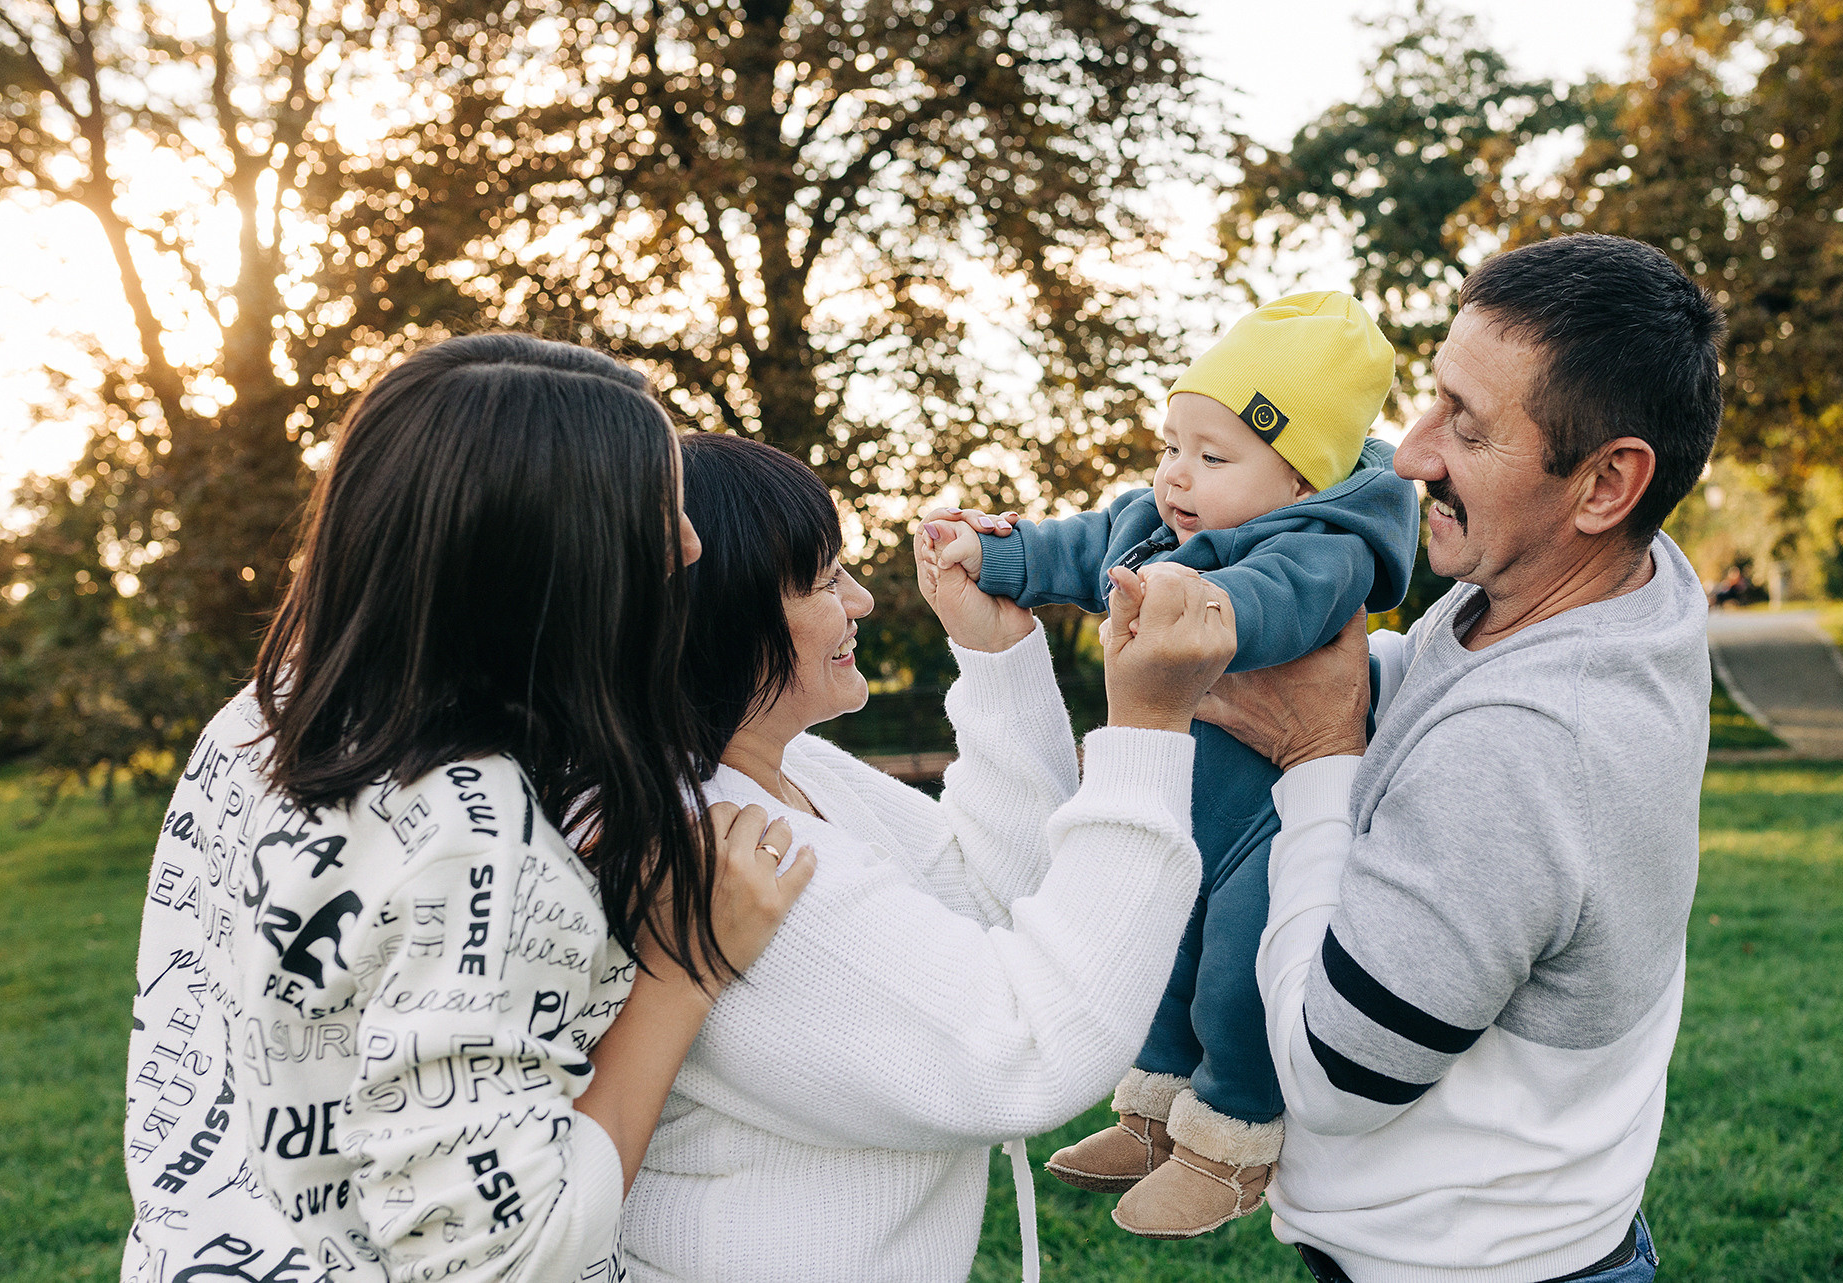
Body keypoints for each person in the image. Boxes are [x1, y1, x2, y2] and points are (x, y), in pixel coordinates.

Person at [121, 335, 813, 1283]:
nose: (691, 545)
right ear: (551, 557)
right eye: (657, 516)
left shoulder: (267, 714)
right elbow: (510, 1256)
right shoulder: (477, 836)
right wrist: (682, 969)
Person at [1197, 234, 1725, 1282]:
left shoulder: (1528, 748)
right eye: (1433, 398)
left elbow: (1330, 1075)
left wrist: (1316, 756)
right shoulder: (1610, 586)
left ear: (1606, 482)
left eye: (1467, 428)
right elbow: (1452, 698)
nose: (1409, 454)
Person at [619, 432, 1237, 1283]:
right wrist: (1149, 728)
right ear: (723, 614)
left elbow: (992, 900)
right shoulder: (719, 844)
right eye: (824, 578)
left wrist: (1000, 659)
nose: (863, 599)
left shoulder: (781, 766)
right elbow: (1026, 1045)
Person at [921, 291, 1420, 1239]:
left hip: (1268, 823)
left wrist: (1201, 601)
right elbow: (1076, 548)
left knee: (1234, 978)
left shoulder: (1326, 548)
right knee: (1159, 956)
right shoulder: (1157, 522)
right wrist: (995, 553)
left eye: (1212, 456)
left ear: (1302, 478)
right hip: (1178, 802)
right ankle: (1151, 1114)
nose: (1175, 475)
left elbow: (1269, 603)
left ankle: (1228, 1143)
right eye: (1171, 444)